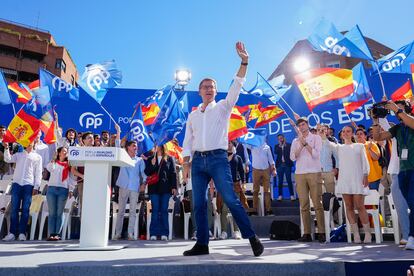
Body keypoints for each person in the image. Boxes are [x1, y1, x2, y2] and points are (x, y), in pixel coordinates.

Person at [182, 42, 263, 257]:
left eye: (212, 86)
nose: (209, 89)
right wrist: (185, 162)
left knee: (230, 198)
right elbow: (188, 140)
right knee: (199, 203)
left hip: (218, 159)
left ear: (216, 91)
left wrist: (244, 61)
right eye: (205, 86)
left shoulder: (224, 107)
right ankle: (202, 244)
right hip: (198, 162)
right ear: (199, 91)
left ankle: (251, 237)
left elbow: (237, 84)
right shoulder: (193, 115)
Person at [372, 100, 414, 249]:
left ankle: (411, 237)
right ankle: (410, 236)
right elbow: (378, 137)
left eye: (400, 110)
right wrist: (375, 121)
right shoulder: (397, 128)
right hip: (401, 170)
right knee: (406, 205)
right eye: (396, 111)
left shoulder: (411, 122)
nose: (397, 113)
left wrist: (396, 109)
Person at [330, 126, 372, 243]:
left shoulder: (359, 146)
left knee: (359, 206)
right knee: (348, 207)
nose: (345, 133)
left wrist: (365, 175)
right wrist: (321, 131)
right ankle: (356, 235)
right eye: (343, 131)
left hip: (357, 179)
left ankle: (368, 233)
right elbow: (325, 142)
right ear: (341, 134)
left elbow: (365, 161)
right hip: (345, 179)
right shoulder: (338, 147)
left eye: (348, 131)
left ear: (352, 134)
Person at [290, 117, 325, 242]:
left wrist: (306, 144)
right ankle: (307, 233)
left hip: (314, 172)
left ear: (308, 125)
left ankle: (321, 232)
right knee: (303, 205)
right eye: (299, 125)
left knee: (317, 203)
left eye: (303, 124)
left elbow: (316, 155)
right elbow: (293, 158)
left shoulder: (316, 138)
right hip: (300, 174)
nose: (302, 127)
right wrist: (300, 145)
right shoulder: (295, 141)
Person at [2, 140, 42, 241]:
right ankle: (12, 233)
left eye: (31, 141)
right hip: (16, 183)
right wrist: (6, 148)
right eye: (27, 141)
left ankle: (22, 233)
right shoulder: (18, 154)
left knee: (25, 210)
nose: (29, 143)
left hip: (28, 184)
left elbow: (38, 173)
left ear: (34, 143)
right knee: (14, 208)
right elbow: (8, 159)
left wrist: (36, 187)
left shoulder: (37, 157)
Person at [114, 141, 146, 240]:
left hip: (134, 187)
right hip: (123, 186)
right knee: (121, 211)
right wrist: (119, 133)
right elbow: (117, 148)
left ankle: (130, 234)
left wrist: (144, 183)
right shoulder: (122, 156)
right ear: (128, 147)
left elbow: (144, 173)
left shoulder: (140, 160)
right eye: (133, 146)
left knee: (133, 211)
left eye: (136, 146)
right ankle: (118, 233)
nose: (135, 148)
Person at [144, 145, 177, 241]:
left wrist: (174, 187)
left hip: (166, 189)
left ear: (162, 146)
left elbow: (173, 173)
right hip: (154, 188)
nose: (155, 146)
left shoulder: (169, 158)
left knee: (164, 210)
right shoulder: (150, 158)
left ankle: (164, 233)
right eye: (154, 145)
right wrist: (152, 164)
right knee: (155, 210)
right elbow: (147, 172)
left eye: (157, 144)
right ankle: (153, 233)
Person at [216, 141, 246, 240]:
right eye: (227, 143)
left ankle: (236, 231)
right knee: (224, 209)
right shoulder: (221, 157)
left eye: (230, 143)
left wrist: (244, 183)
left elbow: (242, 172)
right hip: (224, 186)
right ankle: (224, 232)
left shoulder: (238, 158)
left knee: (235, 209)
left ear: (233, 145)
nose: (228, 145)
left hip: (235, 185)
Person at [46, 147, 75, 241]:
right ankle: (51, 234)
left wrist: (71, 189)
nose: (65, 153)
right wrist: (54, 159)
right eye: (63, 151)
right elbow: (50, 168)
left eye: (66, 152)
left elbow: (71, 178)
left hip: (63, 189)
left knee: (59, 212)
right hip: (51, 188)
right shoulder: (54, 163)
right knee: (52, 212)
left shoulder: (69, 165)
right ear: (59, 153)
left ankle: (56, 234)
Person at [248, 141, 276, 215]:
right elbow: (245, 143)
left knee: (267, 191)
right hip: (256, 170)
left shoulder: (267, 147)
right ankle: (254, 210)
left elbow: (271, 159)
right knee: (255, 191)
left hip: (266, 170)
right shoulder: (252, 145)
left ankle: (268, 210)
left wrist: (274, 169)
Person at [317, 124, 338, 194]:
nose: (322, 131)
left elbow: (337, 157)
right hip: (316, 172)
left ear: (327, 131)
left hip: (329, 172)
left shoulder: (332, 144)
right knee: (318, 195)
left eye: (324, 129)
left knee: (331, 194)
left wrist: (337, 168)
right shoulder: (314, 143)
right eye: (321, 129)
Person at [274, 134, 295, 201]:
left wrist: (284, 146)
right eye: (279, 138)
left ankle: (292, 195)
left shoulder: (289, 145)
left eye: (281, 138)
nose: (280, 139)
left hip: (287, 165)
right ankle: (280, 195)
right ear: (278, 140)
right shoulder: (277, 146)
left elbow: (291, 153)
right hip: (279, 165)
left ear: (284, 138)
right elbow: (276, 152)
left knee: (289, 180)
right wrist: (280, 146)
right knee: (280, 181)